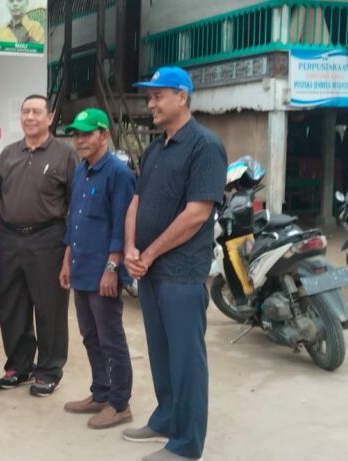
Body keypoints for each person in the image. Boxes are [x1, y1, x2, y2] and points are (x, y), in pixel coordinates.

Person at [121, 67, 227, 461]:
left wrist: (148, 254)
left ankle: (186, 444)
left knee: (186, 361)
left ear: (182, 96)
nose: (151, 103)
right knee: (161, 353)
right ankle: (166, 418)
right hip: (149, 272)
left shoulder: (205, 146)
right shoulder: (155, 149)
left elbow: (197, 214)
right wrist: (131, 248)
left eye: (158, 95)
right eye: (149, 96)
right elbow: (136, 202)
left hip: (181, 273)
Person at [0, 94, 78, 397]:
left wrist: (69, 250)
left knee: (49, 307)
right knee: (10, 305)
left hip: (48, 238)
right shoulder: (8, 154)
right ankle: (19, 366)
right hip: (9, 238)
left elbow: (74, 205)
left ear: (50, 118)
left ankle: (49, 371)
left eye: (37, 112)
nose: (30, 117)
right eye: (25, 111)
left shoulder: (65, 155)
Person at [58, 108, 136, 430]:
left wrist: (112, 268)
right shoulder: (81, 171)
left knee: (110, 337)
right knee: (90, 335)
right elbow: (73, 220)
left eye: (87, 134)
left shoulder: (119, 174)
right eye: (76, 134)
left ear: (104, 135)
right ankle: (100, 392)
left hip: (103, 271)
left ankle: (120, 403)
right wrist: (66, 260)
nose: (80, 140)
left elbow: (121, 225)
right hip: (81, 266)